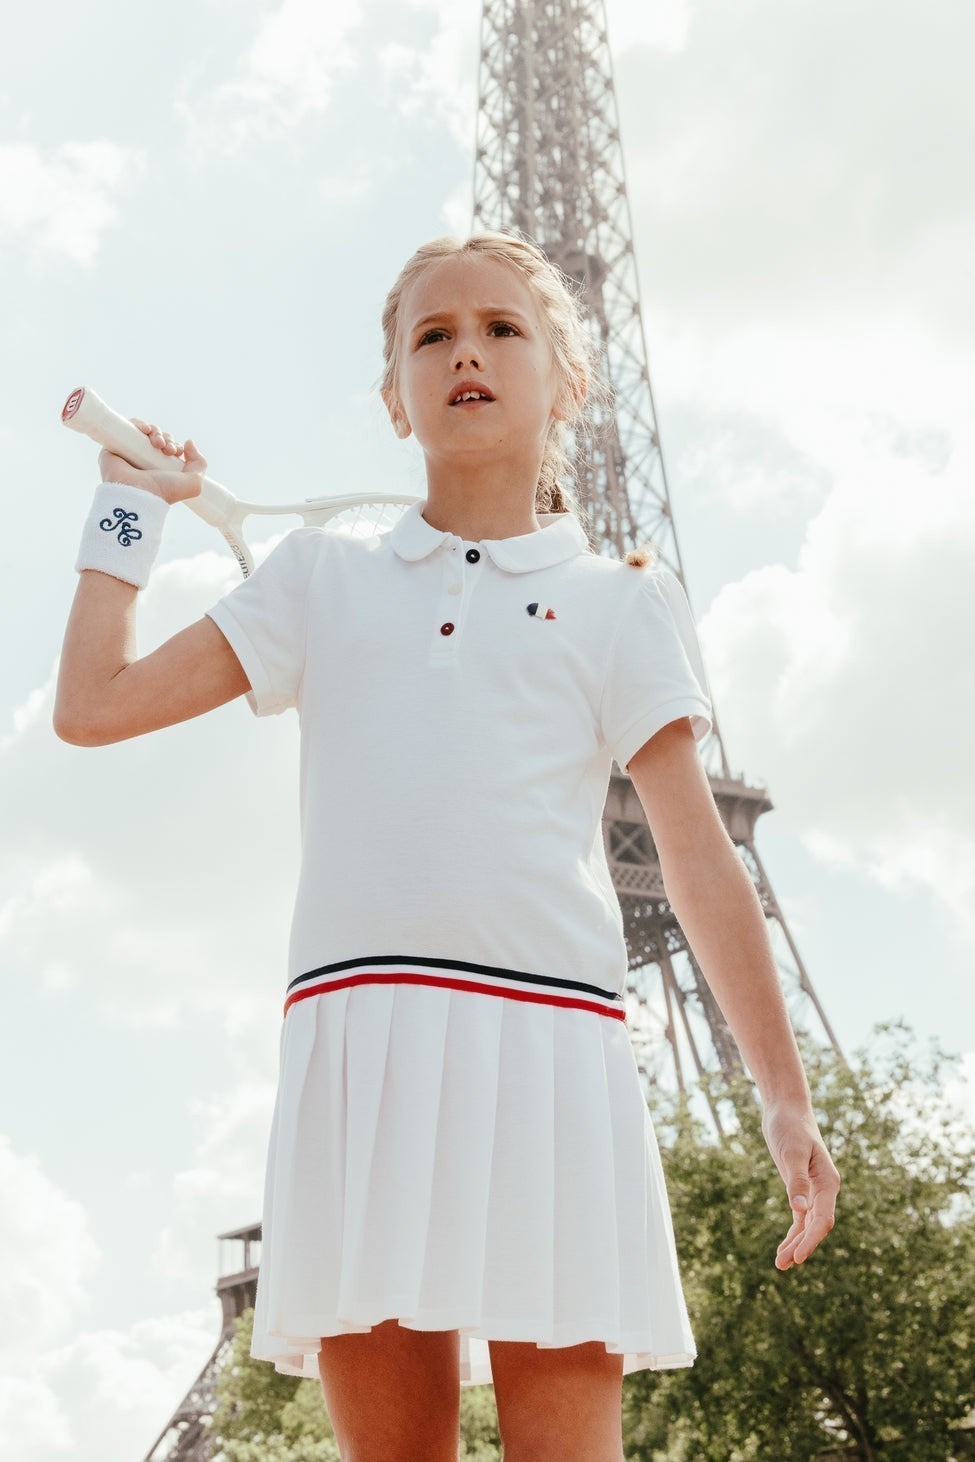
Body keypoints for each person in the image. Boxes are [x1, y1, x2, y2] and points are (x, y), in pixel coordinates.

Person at [55, 229, 840, 1462]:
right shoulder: (318, 580)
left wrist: (783, 1098)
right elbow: (92, 706)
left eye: (500, 328)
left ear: (569, 383)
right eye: (433, 335)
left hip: (553, 1056)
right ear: (394, 396)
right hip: (363, 1050)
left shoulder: (623, 601)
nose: (465, 351)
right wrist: (127, 508)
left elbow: (698, 860)